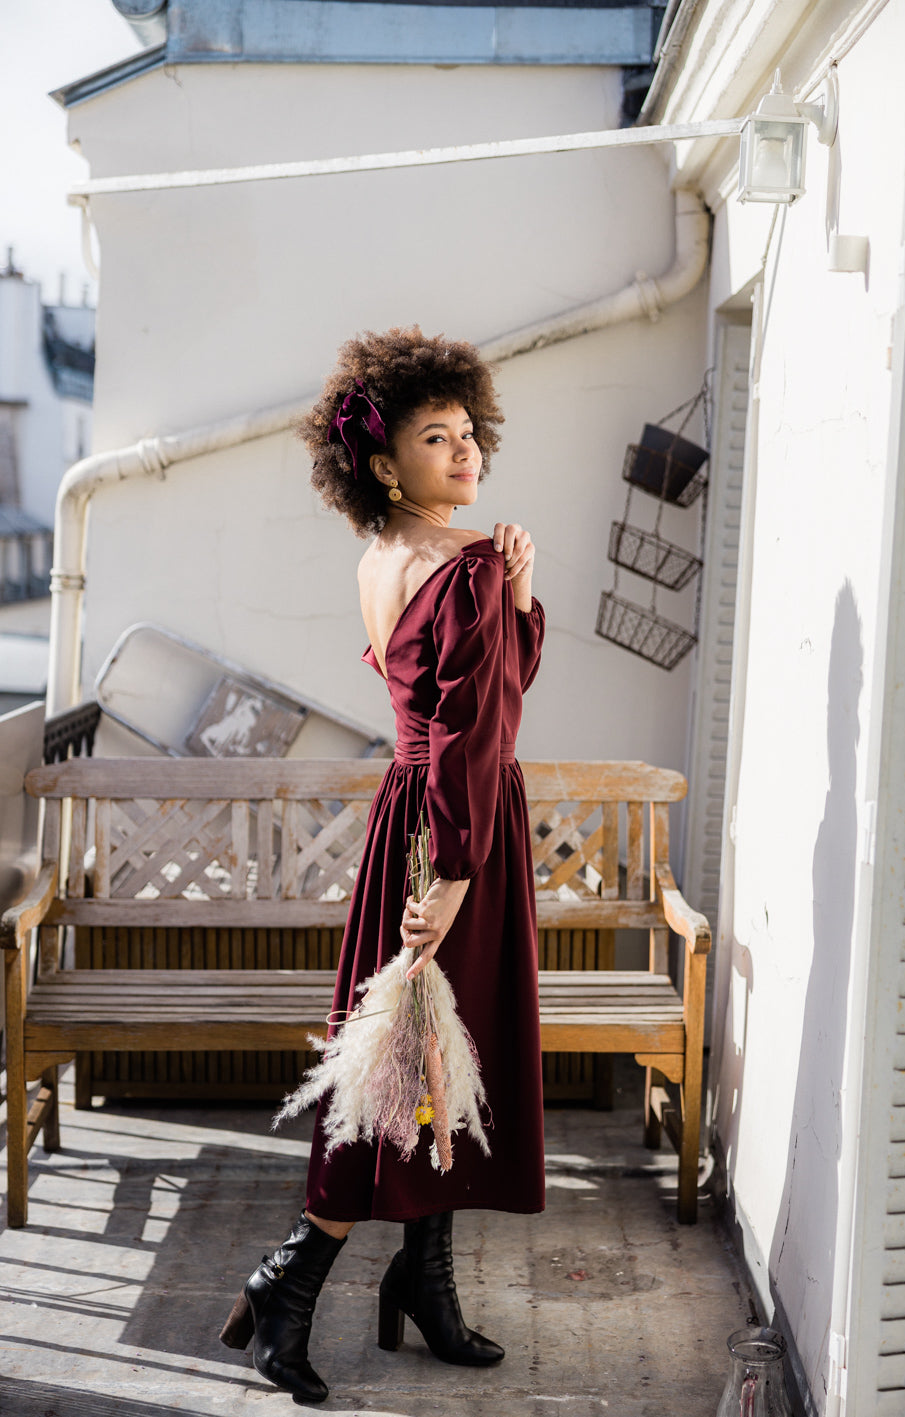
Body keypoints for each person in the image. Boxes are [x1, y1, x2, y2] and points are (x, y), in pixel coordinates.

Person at [219, 326, 545, 1406]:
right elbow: (473, 731)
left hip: (413, 814)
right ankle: (288, 1285)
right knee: (400, 1071)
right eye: (435, 438)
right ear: (382, 461)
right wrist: (451, 880)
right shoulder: (464, 569)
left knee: (425, 1066)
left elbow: (455, 703)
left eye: (469, 435)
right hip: (459, 834)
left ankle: (425, 1276)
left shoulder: (387, 559)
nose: (465, 456)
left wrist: (520, 604)